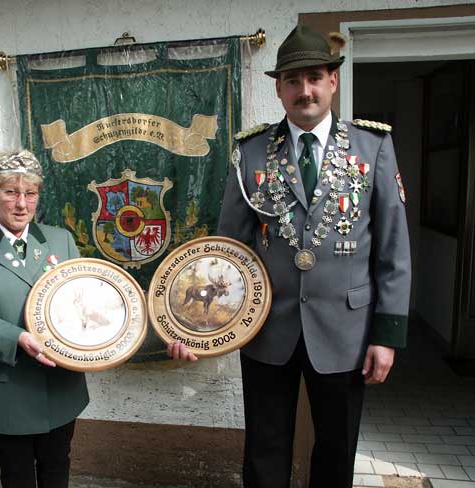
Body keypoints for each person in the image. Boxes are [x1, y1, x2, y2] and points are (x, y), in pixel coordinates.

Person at [168, 25, 411, 488]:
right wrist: (200, 328)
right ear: (279, 88)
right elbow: (228, 251)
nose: (305, 90)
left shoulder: (372, 146)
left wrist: (387, 335)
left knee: (337, 449)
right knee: (265, 449)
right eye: (293, 81)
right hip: (267, 328)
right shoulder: (251, 151)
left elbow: (393, 249)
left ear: (333, 81)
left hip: (346, 330)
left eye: (315, 78)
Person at [0, 149, 88, 488]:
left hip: (58, 384)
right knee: (17, 475)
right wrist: (18, 338)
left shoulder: (61, 240)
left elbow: (82, 299)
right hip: (6, 386)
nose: (22, 204)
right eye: (11, 192)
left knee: (57, 467)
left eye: (31, 193)